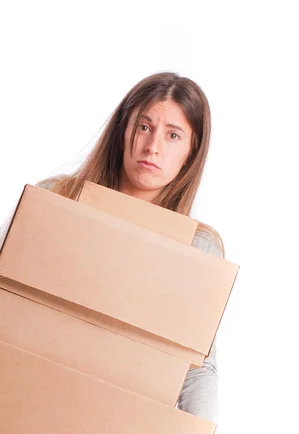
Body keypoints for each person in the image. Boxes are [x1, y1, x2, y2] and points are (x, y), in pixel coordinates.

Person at [34, 72, 223, 424]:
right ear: (124, 130)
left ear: (190, 152)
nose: (153, 147)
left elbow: (196, 365)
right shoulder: (57, 199)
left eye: (173, 135)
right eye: (145, 127)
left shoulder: (197, 247)